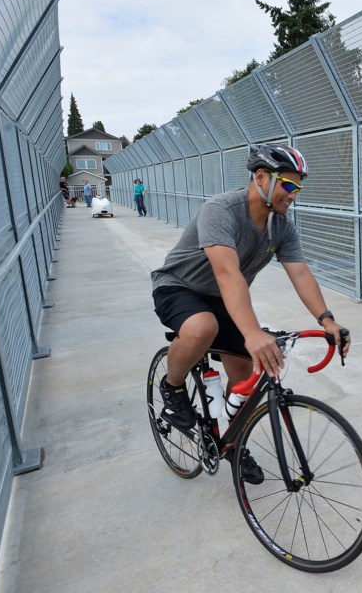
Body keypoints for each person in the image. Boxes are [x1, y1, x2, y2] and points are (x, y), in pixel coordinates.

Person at [150, 144, 350, 481]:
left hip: (224, 298)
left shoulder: (281, 225)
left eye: (298, 188)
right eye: (289, 186)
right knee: (202, 327)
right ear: (261, 177)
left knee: (246, 376)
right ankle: (173, 390)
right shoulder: (222, 211)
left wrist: (327, 320)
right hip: (179, 287)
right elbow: (227, 274)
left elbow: (300, 272)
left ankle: (232, 443)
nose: (294, 195)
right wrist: (253, 332)